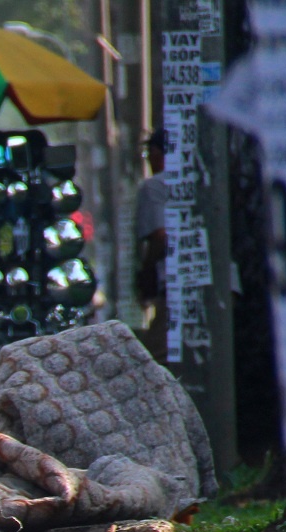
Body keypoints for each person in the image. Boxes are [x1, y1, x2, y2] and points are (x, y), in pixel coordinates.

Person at [135, 130, 170, 362]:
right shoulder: (206, 181)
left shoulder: (155, 186)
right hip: (228, 283)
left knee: (153, 359)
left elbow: (159, 235)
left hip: (180, 287)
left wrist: (146, 270)